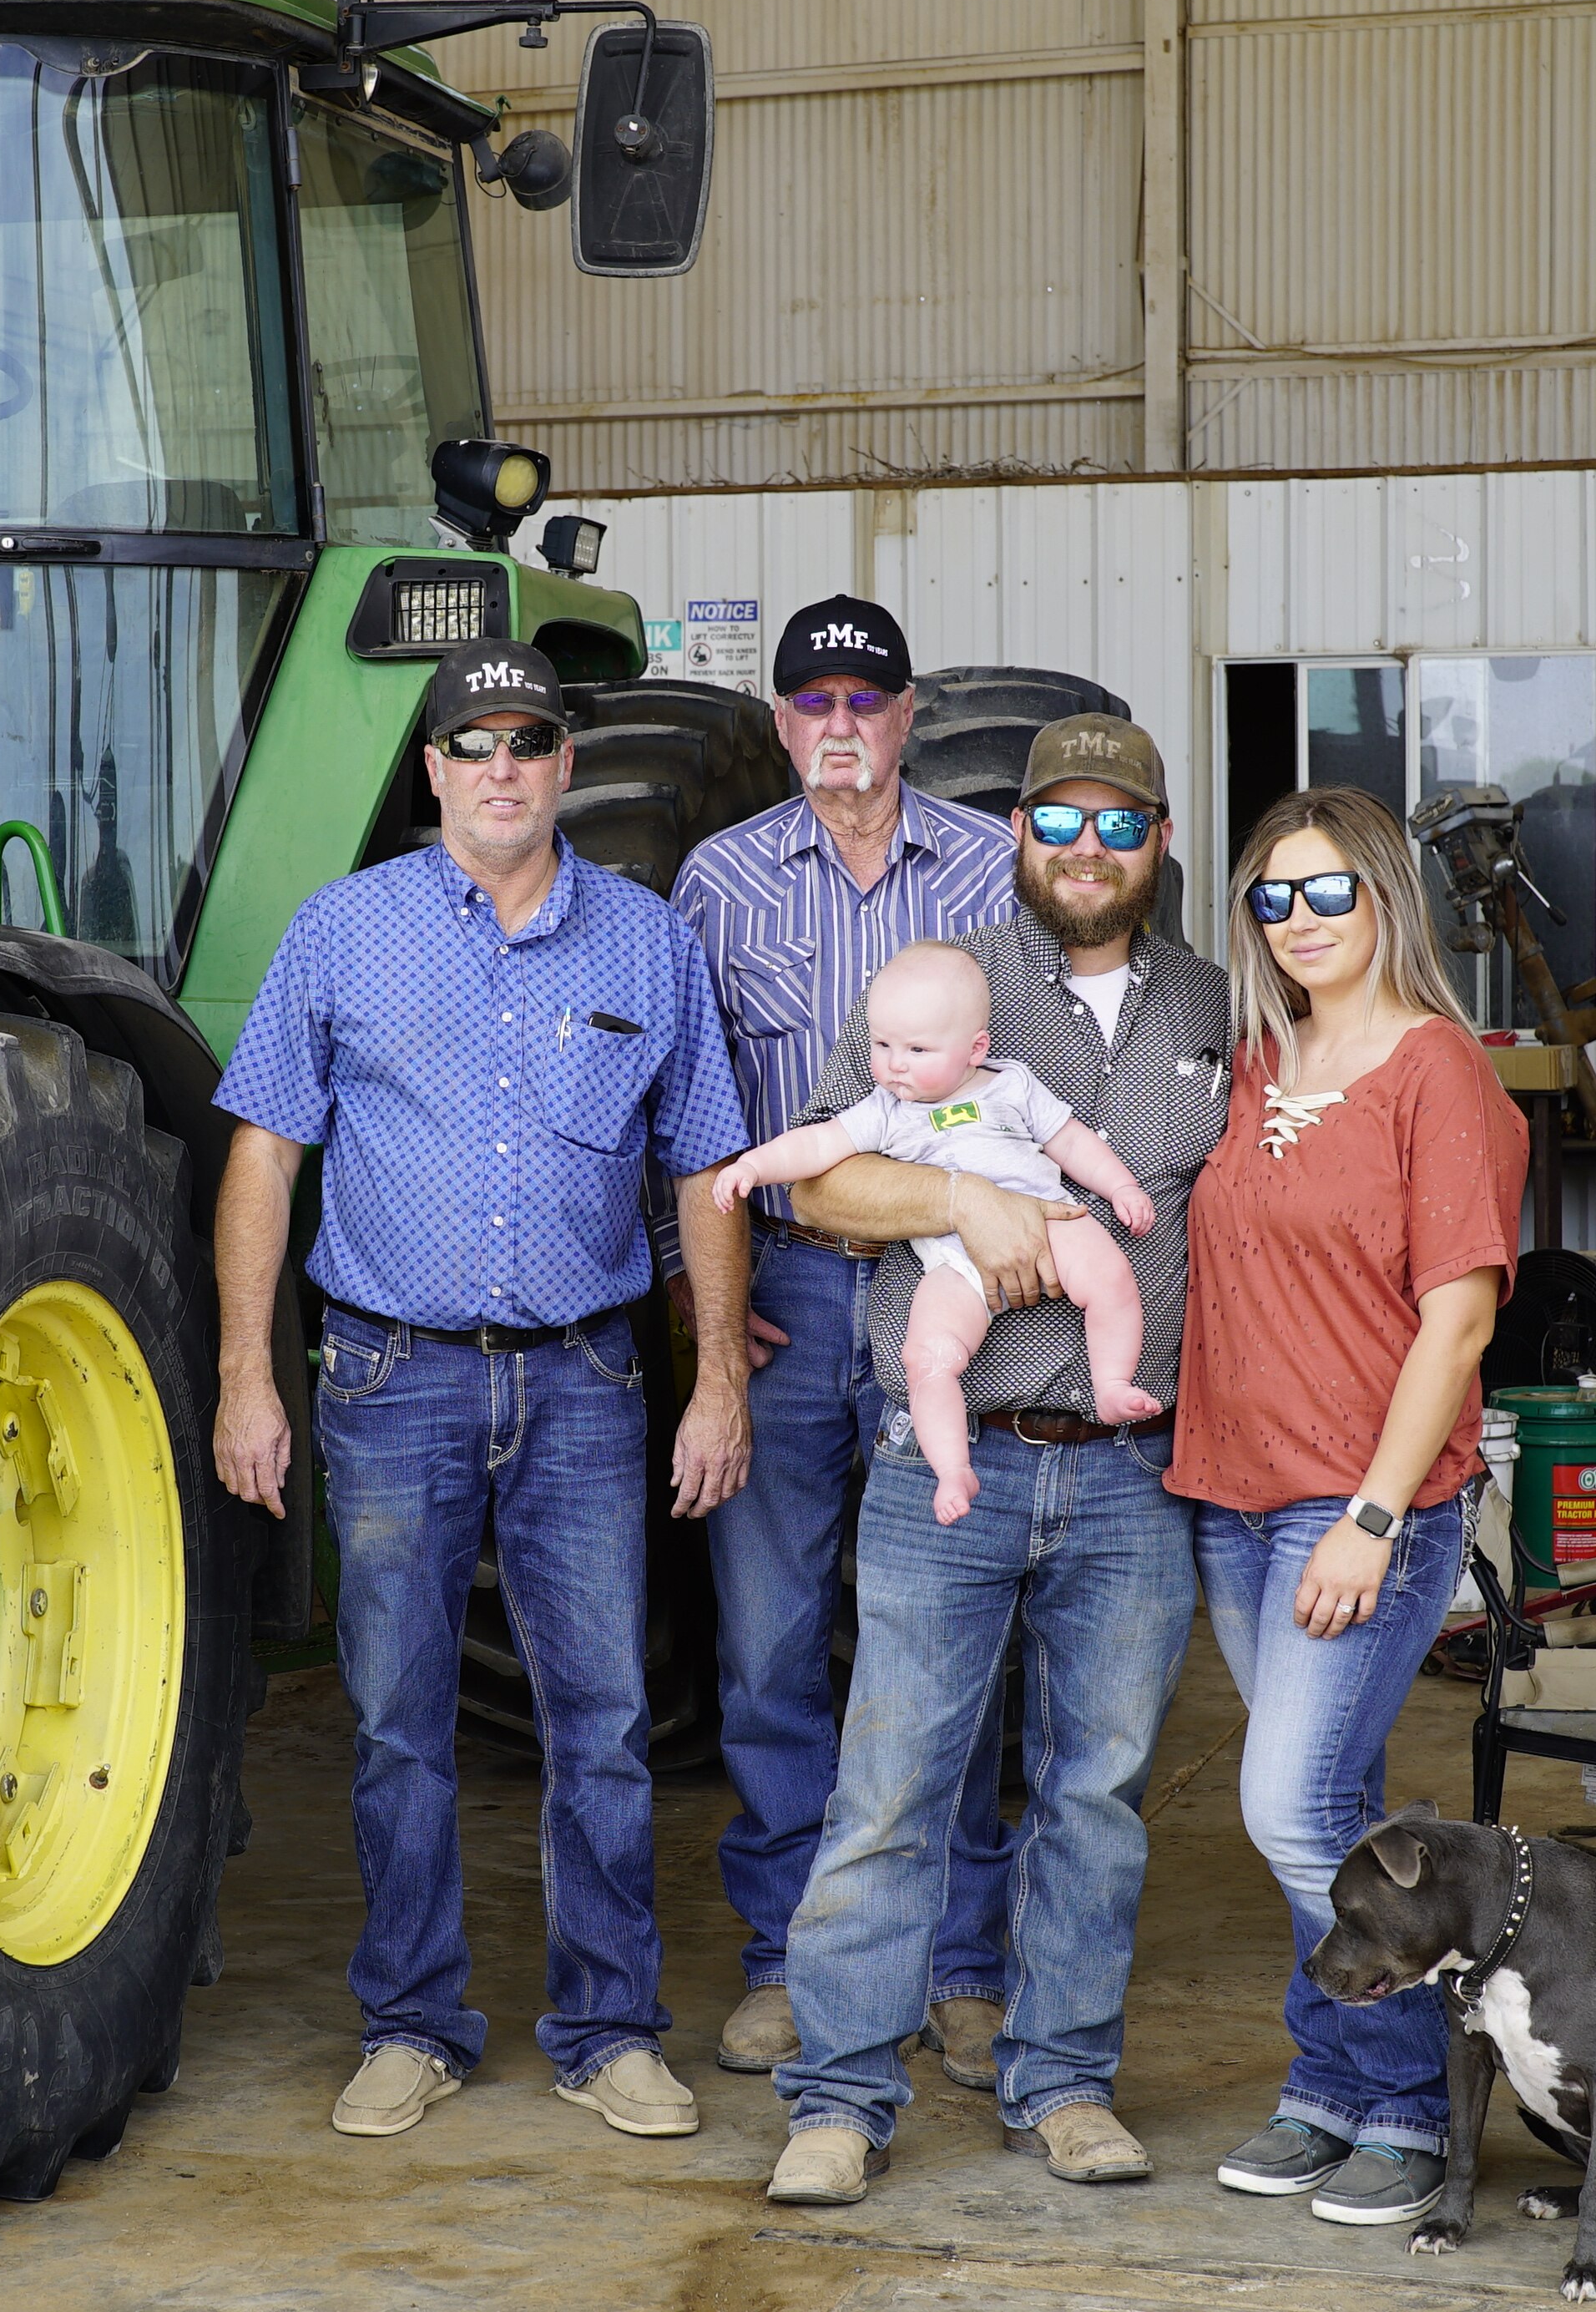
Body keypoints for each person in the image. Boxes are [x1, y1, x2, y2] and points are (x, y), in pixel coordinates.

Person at [210, 637, 756, 2147]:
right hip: (389, 1376)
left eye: (529, 737)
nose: (501, 763)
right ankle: (411, 2021)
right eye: (473, 741)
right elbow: (265, 1151)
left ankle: (608, 2025)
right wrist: (246, 1373)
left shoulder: (645, 942)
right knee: (396, 1721)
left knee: (603, 1717)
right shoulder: (343, 931)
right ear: (436, 770)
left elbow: (703, 1169)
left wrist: (717, 1380)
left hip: (586, 1380)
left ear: (566, 764)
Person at [760, 713, 1230, 2207]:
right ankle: (838, 2094)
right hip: (946, 1458)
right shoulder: (944, 984)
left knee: (1094, 1797)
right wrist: (965, 1196)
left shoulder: (1219, 1001)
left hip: (1130, 1477)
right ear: (1015, 830)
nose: (1085, 848)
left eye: (1119, 822)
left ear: (1161, 840)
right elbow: (821, 1183)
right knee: (891, 1787)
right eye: (1057, 819)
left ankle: (1067, 2080)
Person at [659, 594, 1020, 2086]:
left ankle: (959, 1959)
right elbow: (688, 1116)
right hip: (793, 1295)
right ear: (781, 720)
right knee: (769, 1642)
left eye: (865, 701)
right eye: (810, 703)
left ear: (909, 712)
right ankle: (794, 1959)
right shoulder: (718, 883)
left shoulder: (997, 869)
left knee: (953, 1631)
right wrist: (703, 1312)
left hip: (955, 1289)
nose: (839, 728)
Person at [1169, 786, 1528, 2229]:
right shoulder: (1259, 1063)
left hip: (1359, 1505)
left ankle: (1411, 2102)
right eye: (1274, 895)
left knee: (1291, 1807)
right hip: (1233, 1496)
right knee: (1333, 1809)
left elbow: (1457, 1325)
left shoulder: (1442, 1072)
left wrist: (1373, 1520)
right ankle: (1334, 2091)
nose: (1302, 921)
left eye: (1331, 892)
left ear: (1389, 899)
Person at [709, 939, 1160, 1523]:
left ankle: (1111, 1381)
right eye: (882, 1045)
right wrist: (752, 1166)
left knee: (1112, 1278)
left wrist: (1121, 1188)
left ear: (976, 1048)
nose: (895, 1064)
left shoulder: (1011, 1085)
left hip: (1048, 1220)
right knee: (928, 1360)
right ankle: (952, 1469)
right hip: (952, 1264)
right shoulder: (886, 1109)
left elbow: (1071, 1141)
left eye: (917, 1049)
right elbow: (818, 1144)